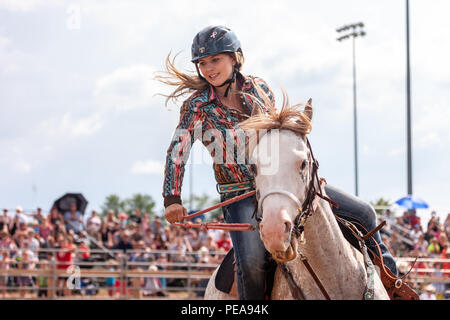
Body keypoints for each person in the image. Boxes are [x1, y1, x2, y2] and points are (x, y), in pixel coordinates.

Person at [160, 25, 400, 300]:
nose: (209, 68)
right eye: (202, 63)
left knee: (365, 214)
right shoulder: (196, 106)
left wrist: (302, 174)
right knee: (251, 263)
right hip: (239, 195)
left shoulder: (260, 88)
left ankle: (393, 288)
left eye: (215, 59)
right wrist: (172, 199)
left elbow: (280, 137)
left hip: (282, 182)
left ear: (235, 58)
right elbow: (177, 152)